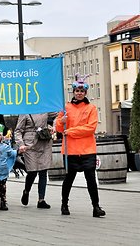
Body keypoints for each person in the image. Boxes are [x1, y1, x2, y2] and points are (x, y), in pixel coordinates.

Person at [56, 74, 106, 218]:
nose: (79, 93)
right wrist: (61, 121)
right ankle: (64, 204)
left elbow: (90, 128)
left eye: (82, 91)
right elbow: (59, 128)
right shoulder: (65, 108)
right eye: (77, 91)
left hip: (87, 149)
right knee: (69, 179)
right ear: (73, 92)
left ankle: (96, 207)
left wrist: (70, 131)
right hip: (70, 150)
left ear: (85, 93)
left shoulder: (91, 108)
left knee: (91, 179)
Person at [15, 113, 57, 209]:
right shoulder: (25, 112)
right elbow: (18, 130)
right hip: (30, 145)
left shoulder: (45, 109)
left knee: (43, 171)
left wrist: (54, 126)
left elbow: (59, 114)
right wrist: (20, 144)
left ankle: (41, 200)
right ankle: (26, 191)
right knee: (32, 171)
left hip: (44, 141)